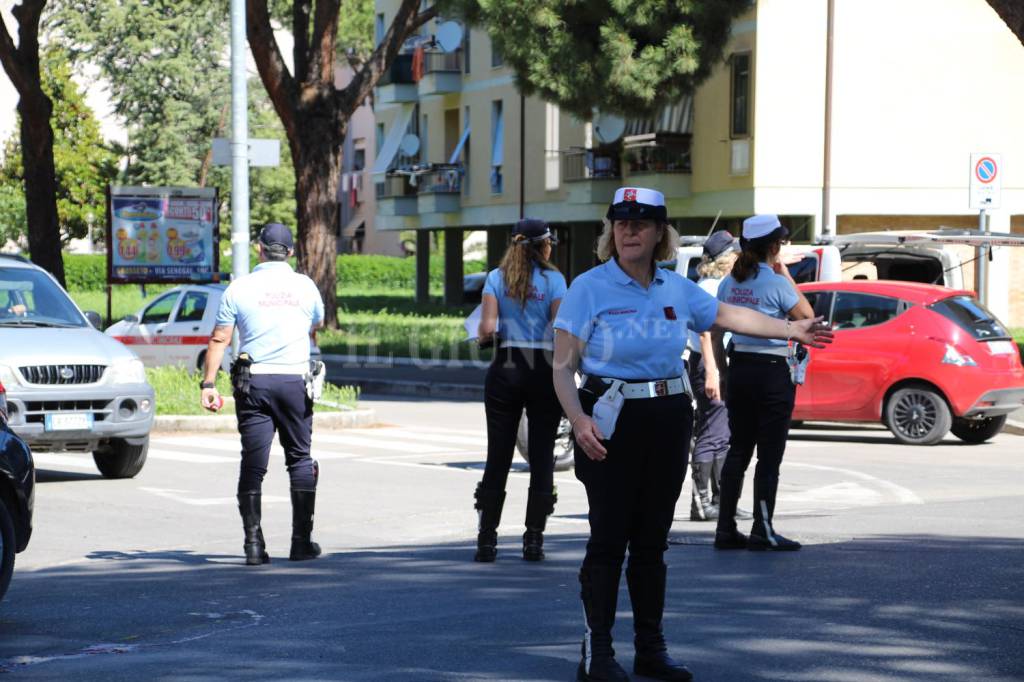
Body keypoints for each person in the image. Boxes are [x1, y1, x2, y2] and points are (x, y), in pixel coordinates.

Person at [552, 189, 831, 682]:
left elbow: (731, 317)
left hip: (667, 417)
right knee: (609, 540)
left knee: (652, 542)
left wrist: (793, 330)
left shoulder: (675, 289)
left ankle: (650, 648)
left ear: (661, 233)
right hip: (608, 421)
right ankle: (597, 651)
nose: (629, 230)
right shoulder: (588, 288)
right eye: (620, 222)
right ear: (610, 231)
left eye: (641, 222)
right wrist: (578, 420)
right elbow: (561, 367)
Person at [200, 223, 325, 566]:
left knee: (253, 465)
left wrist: (208, 385)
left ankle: (253, 546)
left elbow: (219, 340)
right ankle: (301, 543)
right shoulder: (305, 286)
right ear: (291, 252)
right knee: (300, 459)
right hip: (293, 382)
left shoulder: (239, 288)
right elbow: (317, 322)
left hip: (252, 382)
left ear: (259, 249)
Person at [713, 214, 816, 552]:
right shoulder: (776, 283)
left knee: (738, 449)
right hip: (772, 371)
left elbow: (716, 332)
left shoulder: (729, 283)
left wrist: (723, 371)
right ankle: (763, 528)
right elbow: (807, 320)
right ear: (774, 247)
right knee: (769, 454)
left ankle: (725, 528)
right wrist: (786, 274)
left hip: (740, 366)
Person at [473, 218, 566, 562]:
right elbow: (560, 327)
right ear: (543, 246)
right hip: (543, 367)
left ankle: (487, 540)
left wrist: (486, 335)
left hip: (506, 365)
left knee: (498, 454)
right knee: (542, 455)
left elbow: (486, 329)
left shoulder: (496, 278)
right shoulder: (555, 280)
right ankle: (534, 540)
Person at [685, 230, 741, 522]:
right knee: (710, 431)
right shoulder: (708, 287)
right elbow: (706, 332)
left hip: (716, 361)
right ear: (724, 258)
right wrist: (713, 372)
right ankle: (702, 502)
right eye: (734, 254)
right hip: (709, 363)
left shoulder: (718, 284)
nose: (738, 258)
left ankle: (721, 499)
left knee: (722, 433)